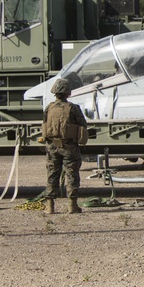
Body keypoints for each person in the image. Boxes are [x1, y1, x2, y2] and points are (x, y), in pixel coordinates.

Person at [42, 78, 89, 214]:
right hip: (69, 147)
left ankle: (50, 206)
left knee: (52, 174)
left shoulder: (48, 108)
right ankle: (72, 205)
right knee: (72, 175)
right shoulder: (73, 108)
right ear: (68, 93)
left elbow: (45, 125)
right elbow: (83, 125)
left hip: (52, 146)